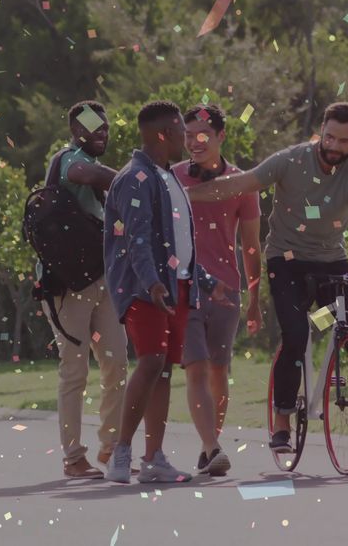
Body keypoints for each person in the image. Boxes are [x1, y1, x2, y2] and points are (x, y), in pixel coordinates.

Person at [186, 102, 348, 464]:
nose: (334, 146)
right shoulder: (290, 160)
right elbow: (240, 184)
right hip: (285, 261)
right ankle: (282, 422)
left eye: (344, 141)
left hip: (331, 262)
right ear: (321, 130)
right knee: (296, 334)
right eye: (330, 137)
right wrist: (186, 194)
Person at [102, 100, 230, 483]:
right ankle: (120, 453)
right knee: (151, 362)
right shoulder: (135, 178)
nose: (186, 139)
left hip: (175, 287)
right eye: (180, 132)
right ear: (163, 134)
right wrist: (152, 282)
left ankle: (153, 457)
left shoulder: (167, 177)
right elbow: (136, 241)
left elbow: (177, 245)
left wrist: (204, 281)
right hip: (145, 289)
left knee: (162, 372)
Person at [38, 101, 129, 478]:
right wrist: (130, 177)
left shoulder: (96, 169)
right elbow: (83, 173)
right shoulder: (67, 158)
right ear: (76, 131)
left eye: (105, 127)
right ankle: (74, 457)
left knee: (117, 364)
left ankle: (112, 448)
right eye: (93, 128)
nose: (101, 133)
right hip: (65, 282)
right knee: (74, 371)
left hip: (101, 279)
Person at [171, 104, 262, 476]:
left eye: (202, 135)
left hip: (227, 291)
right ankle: (213, 445)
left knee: (219, 372)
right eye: (188, 136)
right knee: (195, 367)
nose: (194, 142)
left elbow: (251, 245)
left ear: (221, 136)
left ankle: (210, 448)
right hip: (184, 289)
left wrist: (255, 299)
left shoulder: (242, 184)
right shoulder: (173, 177)